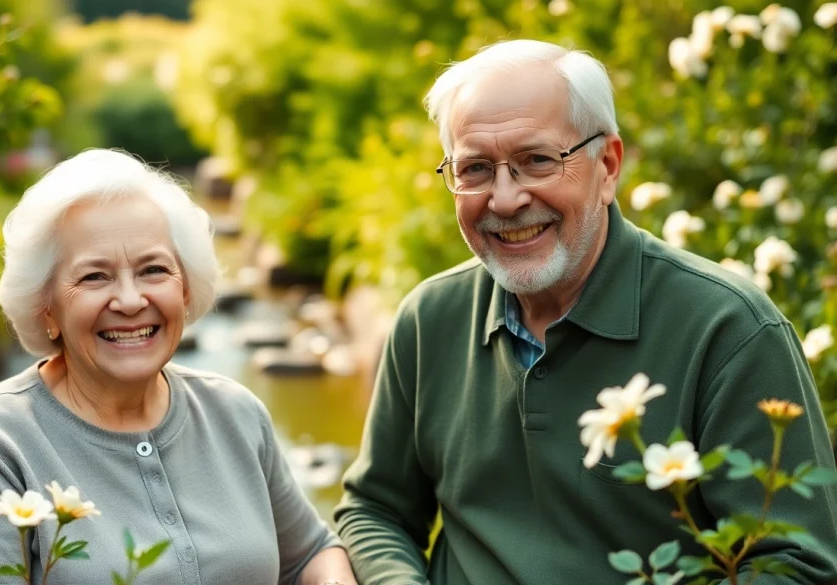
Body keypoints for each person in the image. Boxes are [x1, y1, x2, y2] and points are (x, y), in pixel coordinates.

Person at [334, 39, 837, 584]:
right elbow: (376, 510)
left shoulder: (728, 331)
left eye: (537, 161)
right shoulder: (428, 320)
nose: (504, 199)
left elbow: (797, 567)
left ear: (608, 166)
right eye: (475, 169)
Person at [0, 149, 358, 585]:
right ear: (46, 309)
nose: (131, 301)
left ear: (186, 289)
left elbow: (311, 554)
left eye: (154, 270)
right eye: (95, 277)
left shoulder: (236, 413)